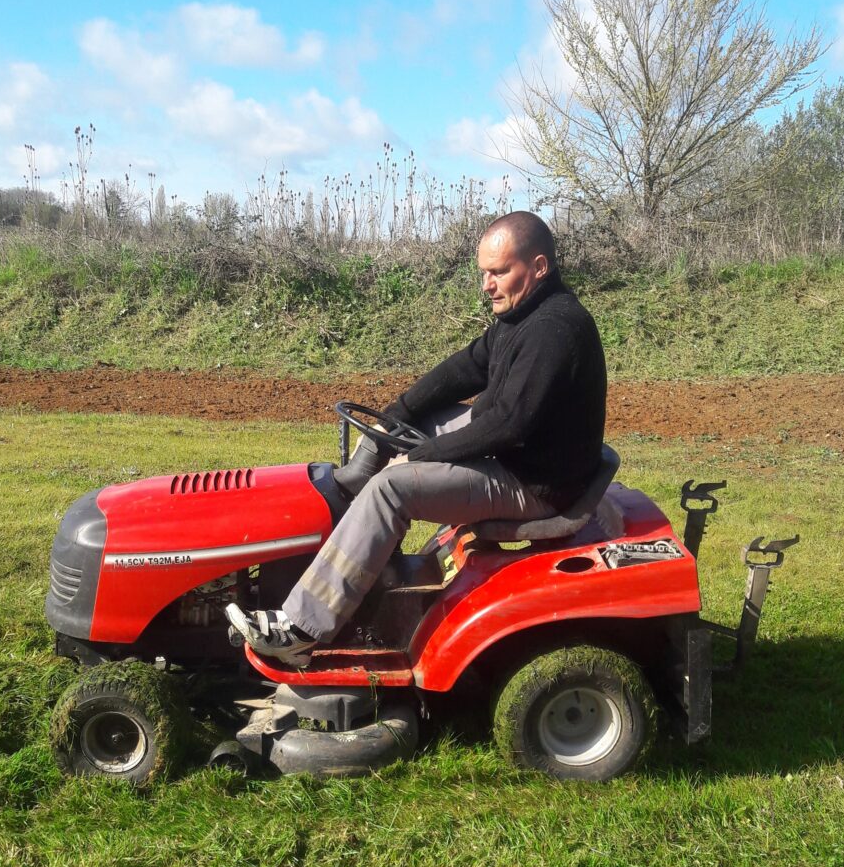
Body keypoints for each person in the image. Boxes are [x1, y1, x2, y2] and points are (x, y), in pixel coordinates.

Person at [226, 210, 608, 664]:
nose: (487, 284)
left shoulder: (554, 330)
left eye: (500, 272)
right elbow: (464, 368)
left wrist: (422, 458)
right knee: (396, 433)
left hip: (532, 481)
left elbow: (508, 424)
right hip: (518, 450)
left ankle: (301, 629)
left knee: (393, 488)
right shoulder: (520, 314)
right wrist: (396, 416)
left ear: (539, 267)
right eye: (484, 272)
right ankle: (347, 500)